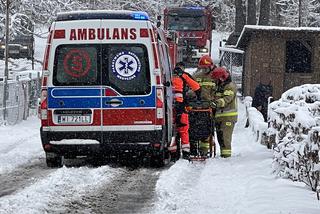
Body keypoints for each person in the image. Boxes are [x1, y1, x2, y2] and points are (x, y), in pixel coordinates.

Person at [172, 62, 201, 159]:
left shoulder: (167, 75)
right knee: (184, 129)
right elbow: (196, 87)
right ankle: (186, 153)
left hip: (169, 108)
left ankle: (173, 154)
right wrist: (198, 99)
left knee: (173, 130)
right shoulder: (184, 75)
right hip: (181, 106)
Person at [211, 67, 238, 158]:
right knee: (221, 138)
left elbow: (227, 99)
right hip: (220, 116)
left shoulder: (229, 86)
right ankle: (224, 155)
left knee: (225, 139)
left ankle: (226, 158)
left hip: (228, 117)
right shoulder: (219, 86)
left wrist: (216, 103)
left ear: (222, 77)